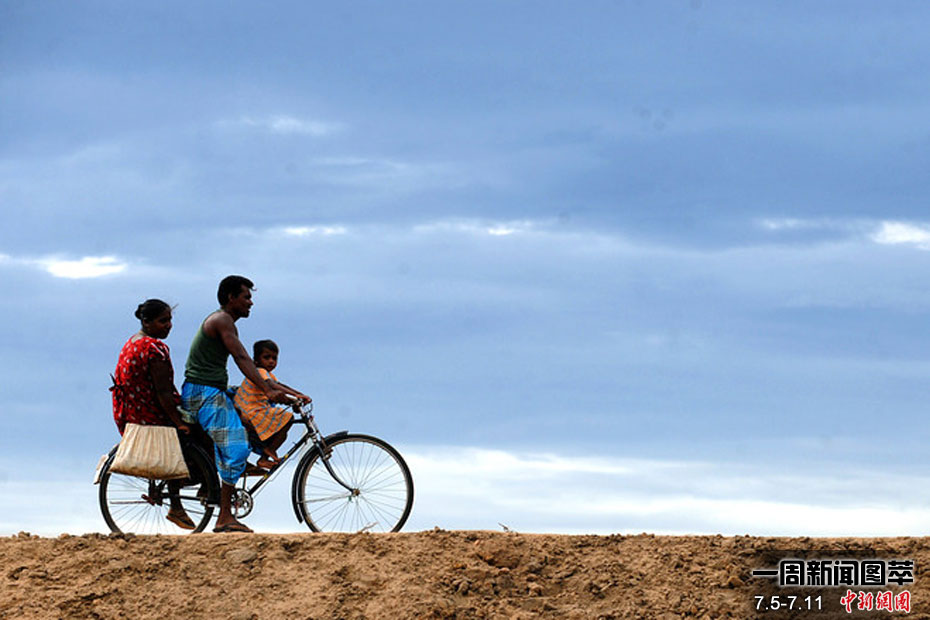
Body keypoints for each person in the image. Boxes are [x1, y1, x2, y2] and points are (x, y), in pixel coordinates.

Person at [181, 275, 286, 533]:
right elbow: (241, 357)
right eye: (246, 297)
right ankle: (225, 517)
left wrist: (272, 389)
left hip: (212, 390)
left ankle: (216, 480)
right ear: (231, 297)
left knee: (250, 418)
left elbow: (246, 362)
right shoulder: (222, 321)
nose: (251, 302)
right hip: (203, 393)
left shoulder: (225, 321)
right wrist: (267, 389)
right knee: (237, 447)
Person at [110, 299, 195, 530]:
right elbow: (163, 392)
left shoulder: (132, 343)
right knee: (196, 431)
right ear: (146, 322)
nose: (168, 325)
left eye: (170, 320)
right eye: (163, 321)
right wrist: (178, 421)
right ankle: (182, 500)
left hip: (130, 410)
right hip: (151, 411)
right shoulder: (154, 348)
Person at [234, 339, 310, 469]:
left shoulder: (269, 375)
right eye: (266, 357)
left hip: (255, 411)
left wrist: (298, 395)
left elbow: (279, 385)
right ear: (256, 361)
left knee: (282, 430)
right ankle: (268, 451)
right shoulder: (259, 371)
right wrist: (297, 396)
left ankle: (264, 458)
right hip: (250, 412)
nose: (271, 361)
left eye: (274, 358)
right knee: (288, 418)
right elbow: (273, 386)